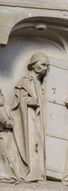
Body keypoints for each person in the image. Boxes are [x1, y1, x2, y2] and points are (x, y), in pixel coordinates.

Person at [10, 52, 48, 181]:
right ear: (33, 65)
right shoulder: (25, 81)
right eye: (42, 64)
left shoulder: (39, 82)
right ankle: (31, 172)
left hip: (37, 118)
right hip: (28, 117)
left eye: (47, 66)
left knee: (38, 142)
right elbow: (20, 100)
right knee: (31, 142)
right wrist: (33, 101)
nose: (45, 68)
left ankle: (39, 172)